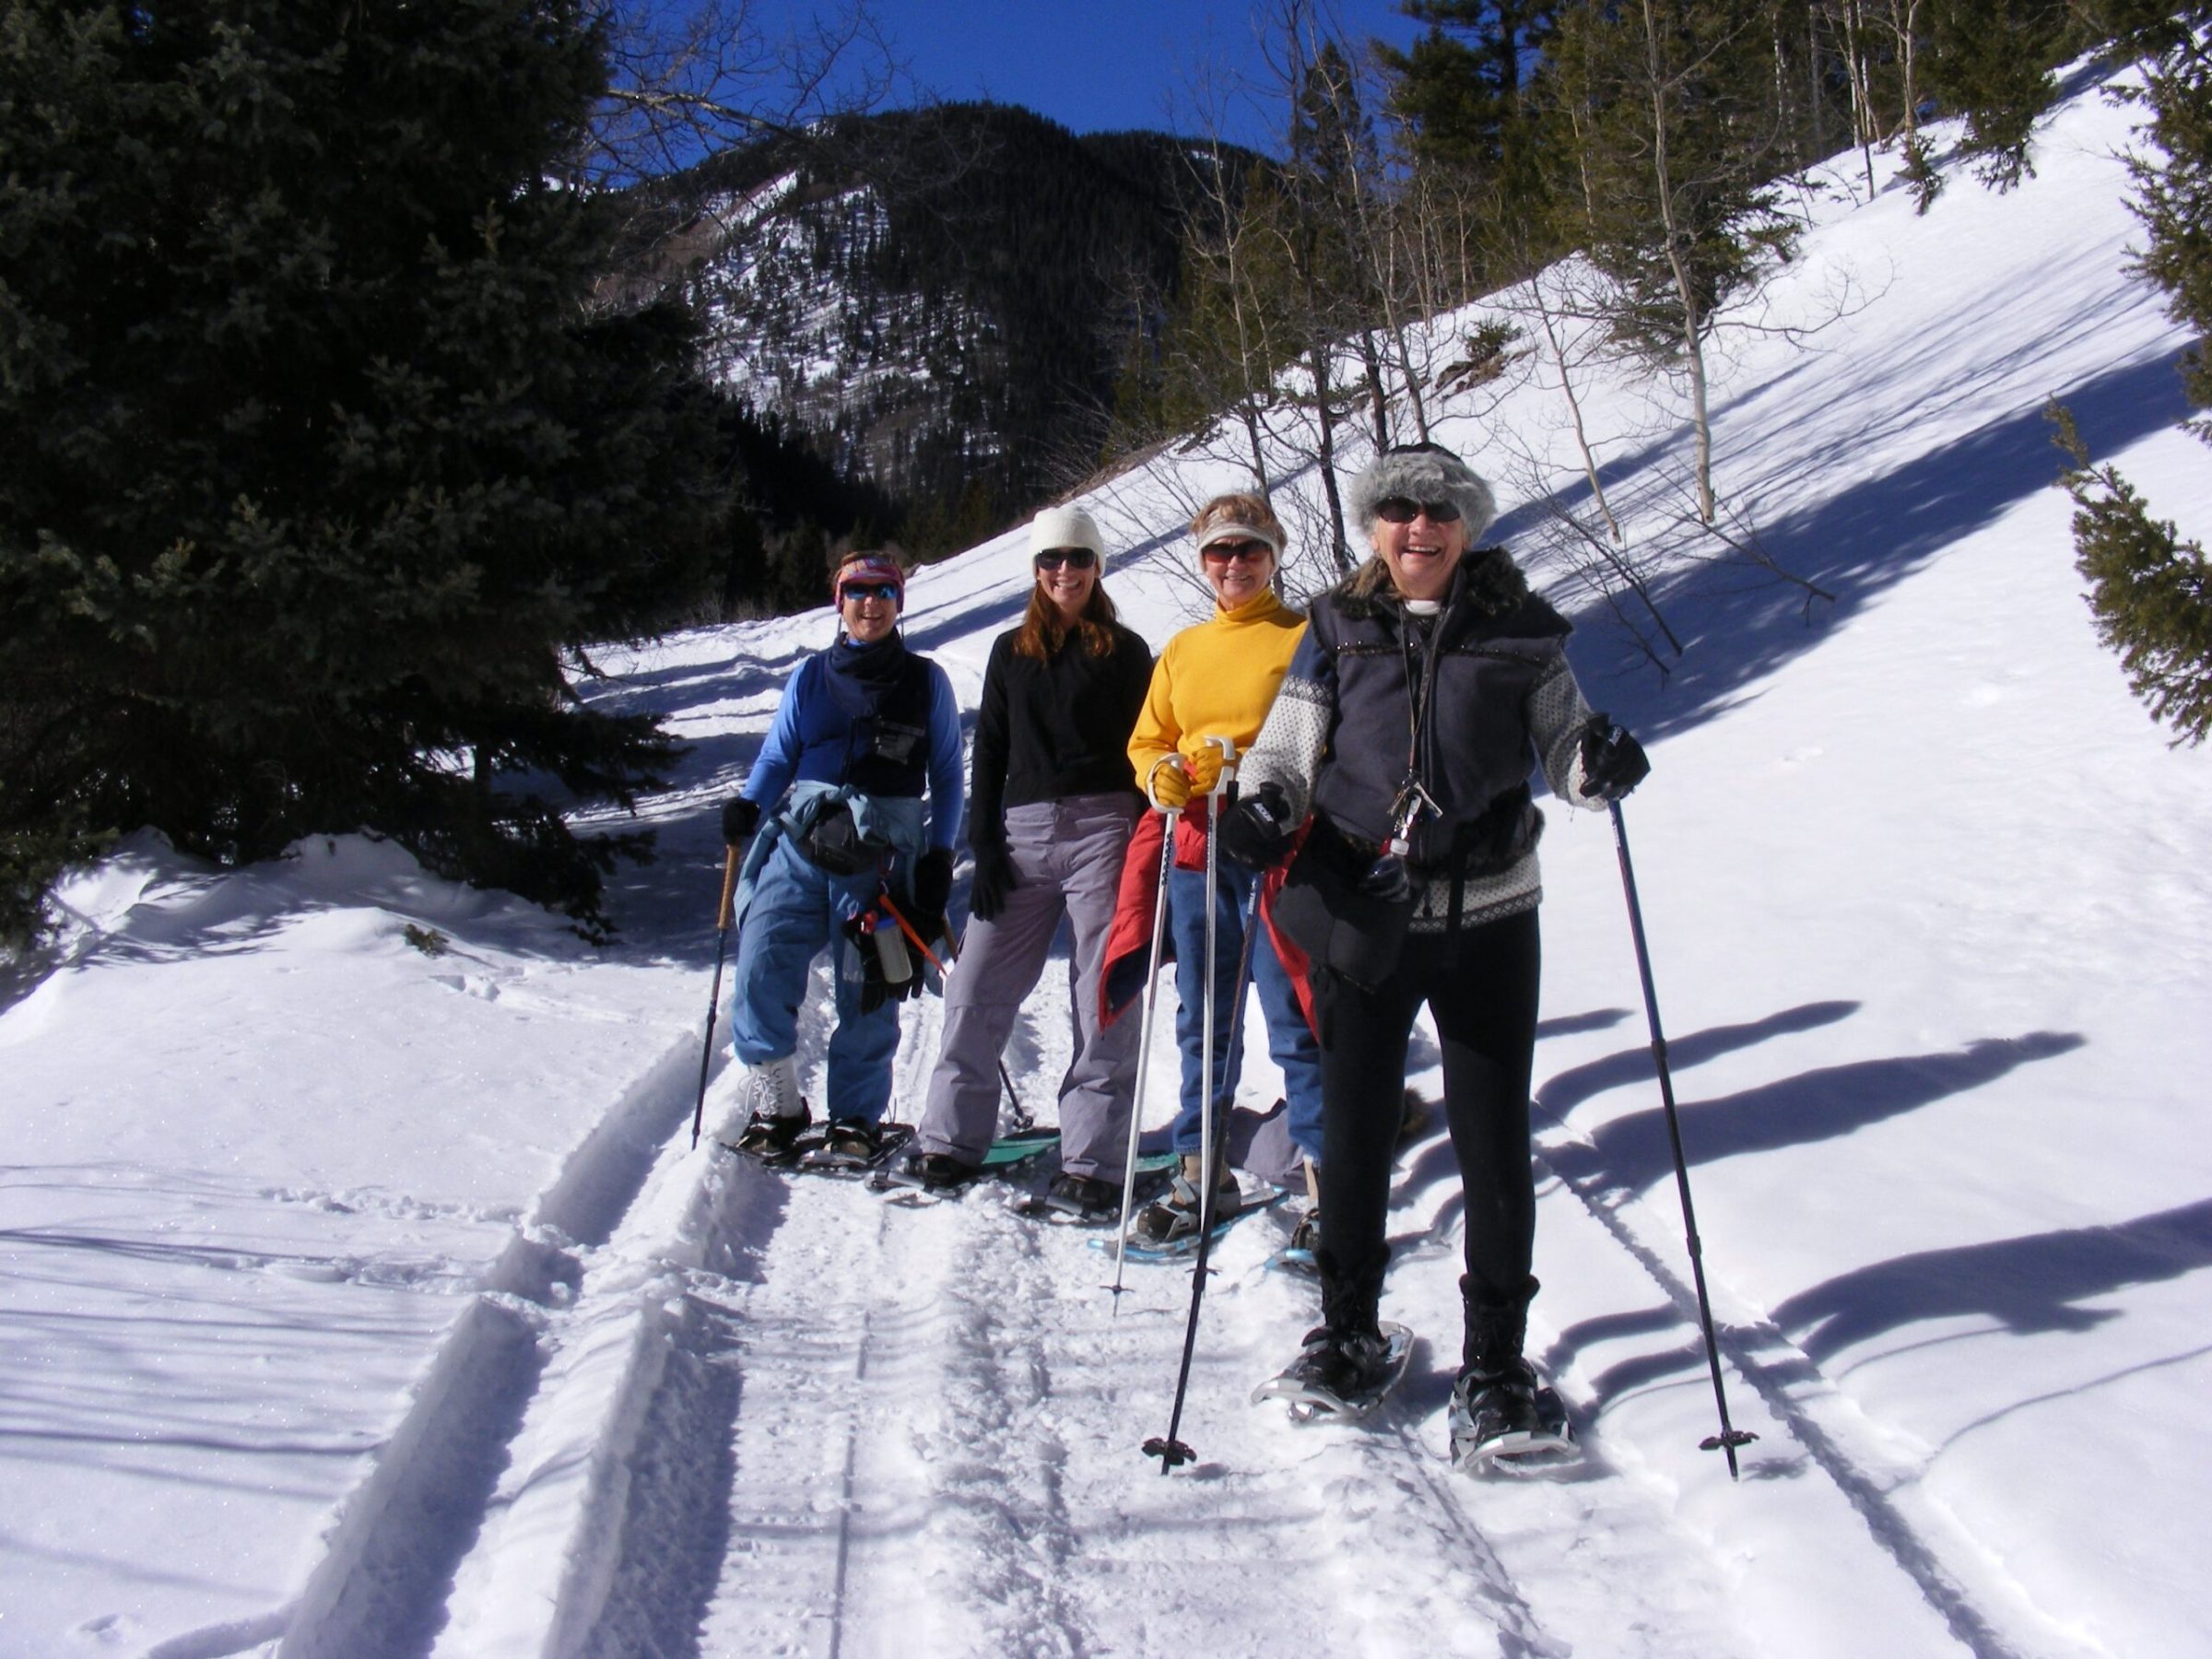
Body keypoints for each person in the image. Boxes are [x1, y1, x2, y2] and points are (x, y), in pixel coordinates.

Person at [1219, 441, 1649, 1450]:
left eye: (1441, 511)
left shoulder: (1522, 635)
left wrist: (1599, 764)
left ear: (1468, 526)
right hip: (1368, 917)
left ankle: (1497, 1363)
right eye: (1401, 509)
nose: (1421, 527)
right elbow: (1289, 741)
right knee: (1359, 1132)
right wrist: (1265, 807)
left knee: (1495, 1139)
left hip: (1493, 915)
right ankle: (1349, 1332)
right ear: (1376, 525)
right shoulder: (1337, 627)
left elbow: (1566, 748)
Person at [900, 507, 1156, 1219]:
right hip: (1020, 834)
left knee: (1100, 992)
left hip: (1105, 826)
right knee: (975, 983)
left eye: (1077, 559)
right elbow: (994, 755)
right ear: (1036, 571)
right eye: (1051, 561)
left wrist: (1141, 844)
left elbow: (1145, 751)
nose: (1064, 572)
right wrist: (984, 848)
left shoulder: (1127, 651)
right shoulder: (1011, 651)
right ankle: (949, 1140)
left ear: (1097, 567)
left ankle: (1093, 1160)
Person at [1111, 492, 1324, 1245]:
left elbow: (1330, 737)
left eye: (1249, 549)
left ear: (1275, 554)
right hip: (1200, 844)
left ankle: (1327, 1185)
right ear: (1202, 559)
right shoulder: (1183, 649)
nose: (1233, 564)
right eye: (1219, 551)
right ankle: (1202, 1172)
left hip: (1279, 845)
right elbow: (1149, 740)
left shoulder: (1305, 637)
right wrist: (1162, 772)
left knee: (1292, 1007)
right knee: (1204, 1012)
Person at [718, 548, 965, 1163]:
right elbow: (779, 754)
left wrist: (939, 856)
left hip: (881, 852)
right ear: (840, 601)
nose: (871, 603)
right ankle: (777, 1105)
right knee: (759, 960)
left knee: (871, 984)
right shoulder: (809, 677)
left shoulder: (925, 680)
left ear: (899, 603)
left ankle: (856, 1117)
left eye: (884, 592)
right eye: (858, 591)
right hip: (800, 840)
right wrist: (750, 804)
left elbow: (949, 775)